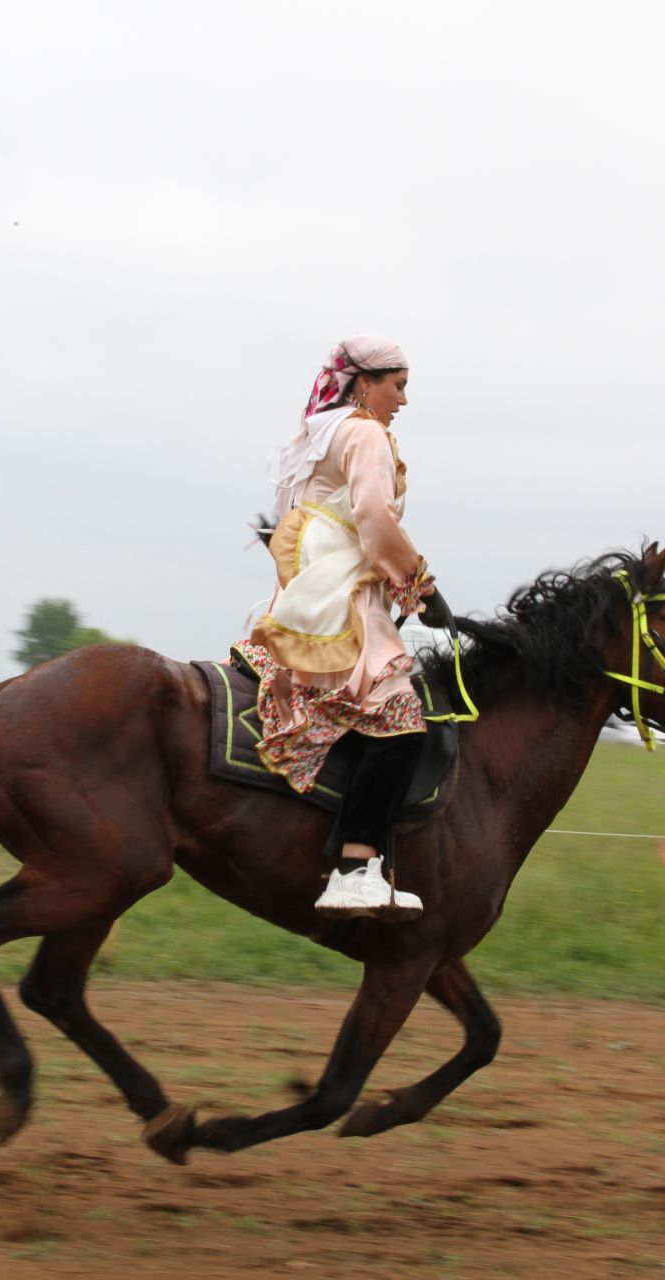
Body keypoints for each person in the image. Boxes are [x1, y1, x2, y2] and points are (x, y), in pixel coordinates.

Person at [236, 334, 433, 921]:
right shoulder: (365, 432)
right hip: (341, 589)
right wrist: (420, 583)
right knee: (401, 721)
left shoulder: (326, 430)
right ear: (366, 383)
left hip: (320, 577)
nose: (402, 400)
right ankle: (353, 869)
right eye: (397, 386)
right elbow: (372, 517)